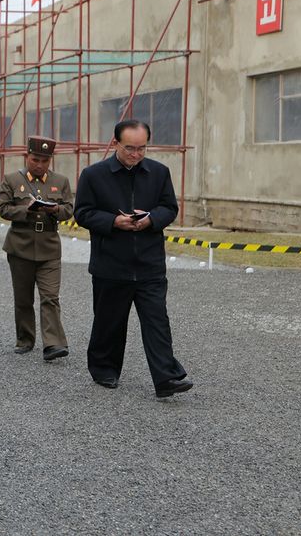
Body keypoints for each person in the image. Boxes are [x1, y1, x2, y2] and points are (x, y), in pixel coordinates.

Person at [73, 119, 193, 398]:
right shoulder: (94, 175)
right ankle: (104, 368)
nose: (136, 154)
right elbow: (83, 213)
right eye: (130, 148)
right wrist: (114, 221)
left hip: (150, 264)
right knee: (109, 322)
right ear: (115, 143)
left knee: (157, 321)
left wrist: (151, 220)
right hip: (110, 264)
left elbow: (169, 207)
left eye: (142, 148)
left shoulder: (159, 173)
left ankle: (166, 378)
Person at [0, 136, 73, 361]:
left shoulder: (61, 181)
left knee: (50, 297)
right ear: (27, 157)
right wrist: (25, 210)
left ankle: (53, 344)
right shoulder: (12, 179)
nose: (39, 165)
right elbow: (2, 208)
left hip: (49, 247)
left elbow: (69, 209)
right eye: (35, 159)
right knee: (23, 298)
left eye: (44, 161)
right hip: (20, 246)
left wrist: (56, 209)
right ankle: (25, 339)